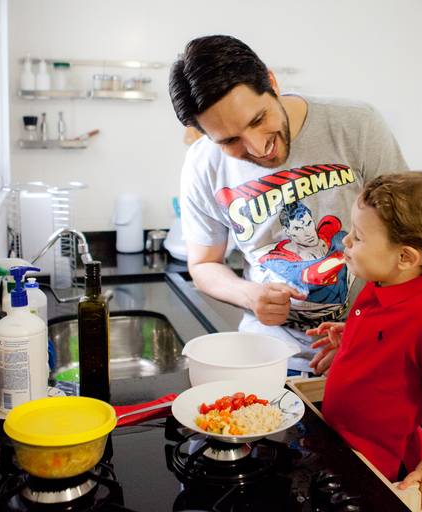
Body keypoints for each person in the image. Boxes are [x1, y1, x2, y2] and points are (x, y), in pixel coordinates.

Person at [169, 35, 409, 372]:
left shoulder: (356, 126)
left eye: (256, 120)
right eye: (230, 141)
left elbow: (408, 241)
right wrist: (250, 295)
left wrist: (367, 333)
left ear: (271, 83)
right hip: (269, 357)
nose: (256, 147)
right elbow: (204, 265)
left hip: (371, 346)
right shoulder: (201, 164)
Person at [306, 171, 422, 510]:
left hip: (378, 462)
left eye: (359, 237)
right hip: (341, 438)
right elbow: (388, 345)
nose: (346, 243)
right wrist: (351, 339)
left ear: (405, 258)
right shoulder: (379, 285)